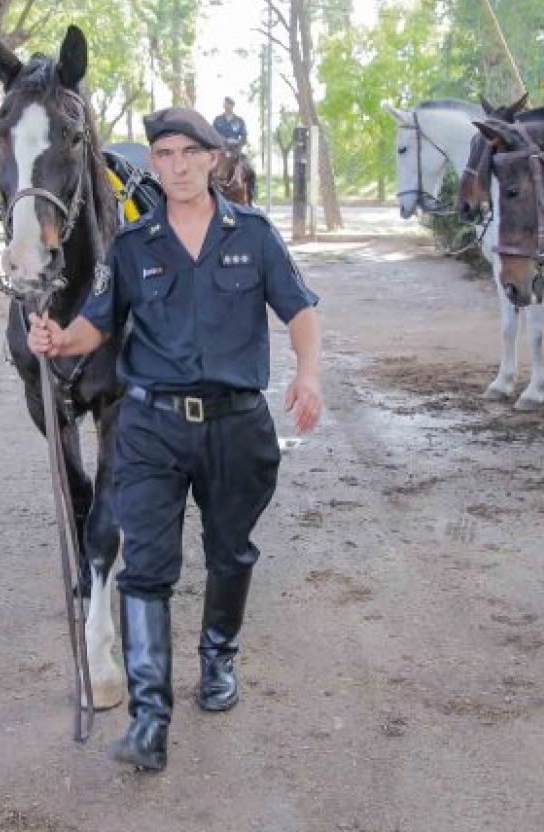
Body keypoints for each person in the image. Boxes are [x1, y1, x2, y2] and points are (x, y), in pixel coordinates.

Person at [27, 107, 324, 773]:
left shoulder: (253, 233)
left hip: (236, 425)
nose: (179, 165)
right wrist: (59, 339)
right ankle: (149, 720)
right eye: (165, 154)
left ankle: (218, 660)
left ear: (214, 159)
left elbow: (300, 309)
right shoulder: (134, 246)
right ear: (154, 164)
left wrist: (308, 373)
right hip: (152, 428)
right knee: (146, 570)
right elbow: (96, 325)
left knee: (231, 553)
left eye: (192, 152)